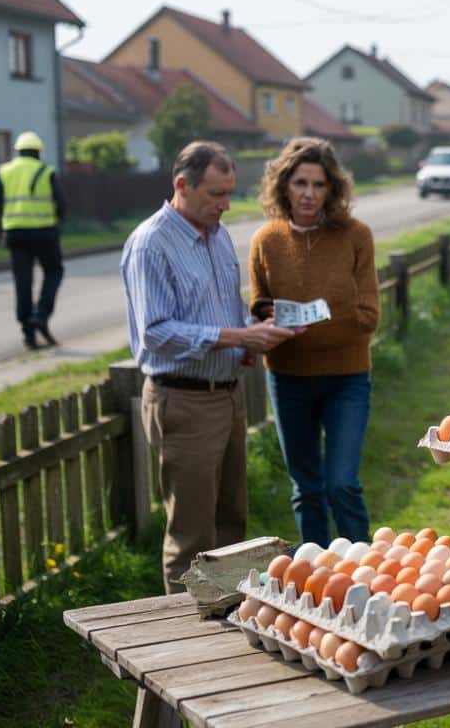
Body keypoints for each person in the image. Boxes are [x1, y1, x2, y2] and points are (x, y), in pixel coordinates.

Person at [121, 140, 300, 593]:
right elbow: (155, 332)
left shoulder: (217, 235)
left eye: (229, 193)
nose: (225, 205)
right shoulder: (151, 244)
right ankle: (183, 627)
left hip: (227, 393)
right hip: (183, 399)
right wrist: (237, 337)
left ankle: (228, 613)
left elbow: (222, 313)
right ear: (182, 185)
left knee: (231, 523)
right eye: (215, 194)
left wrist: (255, 334)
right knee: (192, 534)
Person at [248, 138, 380, 546]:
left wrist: (307, 323)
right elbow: (259, 306)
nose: (308, 193)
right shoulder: (265, 240)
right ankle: (316, 571)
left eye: (318, 184)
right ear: (283, 186)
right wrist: (272, 320)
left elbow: (368, 317)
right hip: (287, 379)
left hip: (347, 378)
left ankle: (365, 568)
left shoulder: (356, 236)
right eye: (300, 183)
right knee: (306, 488)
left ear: (332, 189)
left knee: (341, 484)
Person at [0, 130, 65, 350]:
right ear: (38, 152)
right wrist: (57, 221)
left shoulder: (4, 171)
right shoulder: (47, 171)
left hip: (16, 233)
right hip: (45, 232)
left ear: (18, 151)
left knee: (22, 281)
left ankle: (28, 332)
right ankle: (40, 314)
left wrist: (11, 219)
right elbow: (61, 202)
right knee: (54, 271)